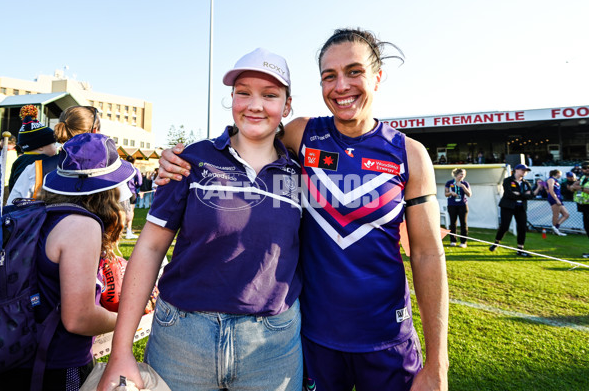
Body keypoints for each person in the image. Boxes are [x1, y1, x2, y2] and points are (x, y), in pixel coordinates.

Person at [156, 28, 449, 391]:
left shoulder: (410, 154)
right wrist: (182, 158)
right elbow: (250, 133)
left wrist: (438, 362)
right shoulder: (302, 134)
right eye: (329, 76)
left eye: (354, 71)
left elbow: (426, 255)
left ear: (377, 76)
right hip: (314, 338)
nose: (341, 85)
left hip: (387, 339)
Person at [97, 48, 303, 391]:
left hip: (272, 348)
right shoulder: (191, 160)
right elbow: (148, 250)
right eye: (243, 93)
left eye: (269, 95)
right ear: (232, 98)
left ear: (287, 105)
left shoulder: (301, 173)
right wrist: (121, 351)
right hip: (182, 339)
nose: (254, 105)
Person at [0, 133, 133, 391]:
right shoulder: (82, 225)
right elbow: (78, 318)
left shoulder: (39, 213)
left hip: (12, 356)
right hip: (55, 366)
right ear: (108, 187)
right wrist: (124, 320)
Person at [7, 105, 124, 203]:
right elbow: (126, 214)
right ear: (94, 131)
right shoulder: (111, 167)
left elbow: (13, 208)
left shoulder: (36, 169)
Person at [8, 104, 58, 190]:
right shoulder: (45, 161)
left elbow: (12, 185)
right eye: (53, 144)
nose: (56, 147)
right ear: (40, 147)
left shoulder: (19, 161)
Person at [489, 164, 533, 256]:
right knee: (504, 226)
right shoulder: (508, 180)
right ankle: (496, 243)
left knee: (522, 227)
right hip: (507, 206)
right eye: (522, 170)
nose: (524, 172)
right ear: (516, 170)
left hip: (521, 207)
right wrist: (524, 194)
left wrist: (519, 194)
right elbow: (510, 194)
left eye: (526, 170)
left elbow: (531, 195)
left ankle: (520, 250)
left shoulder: (526, 183)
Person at [445, 168, 472, 247]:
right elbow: (446, 194)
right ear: (456, 175)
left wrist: (463, 187)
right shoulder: (449, 183)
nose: (462, 176)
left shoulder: (465, 183)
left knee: (463, 223)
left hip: (462, 205)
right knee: (453, 223)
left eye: (464, 174)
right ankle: (453, 241)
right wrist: (451, 193)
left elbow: (469, 194)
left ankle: (463, 242)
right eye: (461, 174)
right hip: (452, 205)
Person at [571, 162, 589, 258]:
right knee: (587, 228)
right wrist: (574, 187)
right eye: (585, 168)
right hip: (583, 206)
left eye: (588, 168)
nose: (587, 169)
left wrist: (580, 188)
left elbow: (581, 188)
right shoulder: (582, 178)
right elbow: (572, 187)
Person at [122, 156, 142, 239]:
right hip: (131, 192)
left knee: (122, 211)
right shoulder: (135, 170)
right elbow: (140, 182)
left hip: (122, 191)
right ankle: (128, 231)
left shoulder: (122, 170)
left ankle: (121, 230)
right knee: (130, 211)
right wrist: (135, 187)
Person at [546, 169, 569, 236]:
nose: (561, 175)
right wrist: (556, 199)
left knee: (566, 214)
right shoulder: (551, 179)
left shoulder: (556, 180)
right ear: (557, 173)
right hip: (554, 198)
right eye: (560, 173)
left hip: (558, 198)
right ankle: (555, 230)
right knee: (556, 214)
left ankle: (555, 227)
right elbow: (551, 190)